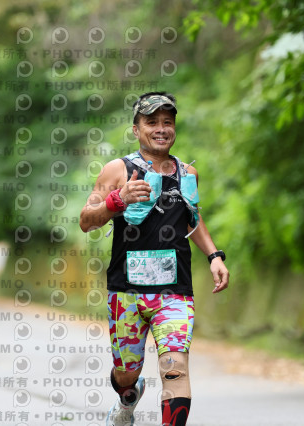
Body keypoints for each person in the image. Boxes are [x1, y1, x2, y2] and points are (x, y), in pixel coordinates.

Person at [79, 92, 229, 426]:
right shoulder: (117, 170)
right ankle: (128, 396)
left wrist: (214, 256)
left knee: (175, 369)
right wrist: (117, 200)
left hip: (175, 293)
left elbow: (192, 219)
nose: (161, 129)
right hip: (126, 293)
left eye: (167, 122)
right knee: (126, 372)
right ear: (137, 129)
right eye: (152, 122)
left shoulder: (187, 173)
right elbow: (86, 220)